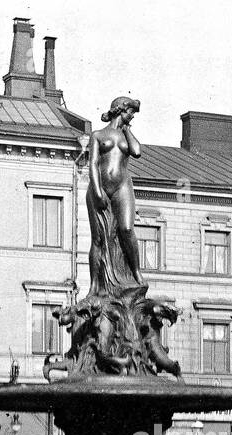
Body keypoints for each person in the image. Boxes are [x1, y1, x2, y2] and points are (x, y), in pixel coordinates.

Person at [86, 96, 145, 296]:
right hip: (100, 186)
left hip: (122, 186)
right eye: (131, 112)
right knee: (98, 239)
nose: (132, 116)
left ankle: (136, 273)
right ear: (122, 110)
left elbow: (136, 152)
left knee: (127, 229)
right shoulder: (98, 135)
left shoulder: (126, 135)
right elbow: (93, 163)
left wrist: (127, 129)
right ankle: (94, 285)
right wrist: (96, 189)